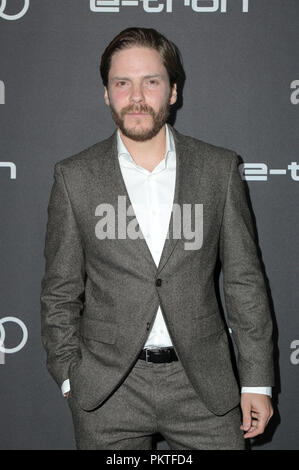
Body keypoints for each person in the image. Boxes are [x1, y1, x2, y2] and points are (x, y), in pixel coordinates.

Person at [40, 27, 274, 450]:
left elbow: (244, 283)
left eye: (151, 81)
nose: (136, 96)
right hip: (108, 390)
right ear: (107, 93)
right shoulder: (74, 177)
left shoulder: (217, 170)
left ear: (172, 91)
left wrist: (256, 379)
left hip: (203, 385)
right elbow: (60, 291)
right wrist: (69, 374)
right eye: (122, 83)